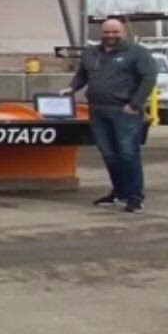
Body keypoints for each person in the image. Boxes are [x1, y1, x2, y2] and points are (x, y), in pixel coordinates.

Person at [65, 16, 156, 212]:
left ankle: (135, 197)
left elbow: (148, 79)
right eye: (107, 32)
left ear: (124, 32)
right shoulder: (91, 53)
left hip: (125, 111)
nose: (110, 35)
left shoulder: (137, 53)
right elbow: (82, 75)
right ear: (101, 33)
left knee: (127, 153)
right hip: (98, 110)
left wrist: (135, 104)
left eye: (115, 32)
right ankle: (119, 193)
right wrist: (71, 88)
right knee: (109, 154)